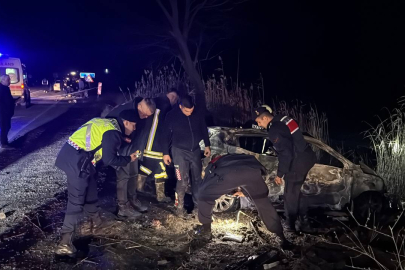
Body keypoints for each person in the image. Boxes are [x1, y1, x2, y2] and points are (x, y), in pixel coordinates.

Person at [54, 110, 140, 256]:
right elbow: (109, 160)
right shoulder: (113, 133)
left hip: (78, 157)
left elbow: (103, 140)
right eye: (133, 125)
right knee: (76, 201)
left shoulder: (110, 123)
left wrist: (121, 139)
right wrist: (128, 159)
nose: (135, 128)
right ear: (125, 122)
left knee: (91, 188)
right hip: (77, 161)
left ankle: (96, 223)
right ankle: (64, 243)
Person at [195, 153, 294, 250]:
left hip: (230, 175)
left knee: (204, 196)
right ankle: (282, 238)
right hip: (254, 172)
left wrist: (229, 191)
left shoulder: (212, 165)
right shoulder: (235, 156)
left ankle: (206, 231)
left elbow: (207, 187)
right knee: (264, 204)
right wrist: (245, 192)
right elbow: (253, 170)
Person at [255, 106, 316, 232]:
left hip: (297, 162)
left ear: (265, 118)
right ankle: (304, 223)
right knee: (297, 192)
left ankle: (291, 225)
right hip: (306, 156)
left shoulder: (274, 130)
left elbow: (286, 153)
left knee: (290, 195)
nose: (259, 125)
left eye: (259, 122)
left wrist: (280, 173)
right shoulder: (282, 119)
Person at [107, 98, 156, 219]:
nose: (145, 117)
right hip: (124, 150)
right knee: (123, 177)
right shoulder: (124, 110)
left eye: (147, 116)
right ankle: (123, 207)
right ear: (139, 106)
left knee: (134, 174)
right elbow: (109, 126)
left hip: (135, 148)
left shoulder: (141, 113)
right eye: (144, 114)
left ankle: (133, 200)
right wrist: (122, 138)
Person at [163, 95, 211, 217]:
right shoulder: (172, 116)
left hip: (194, 150)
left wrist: (207, 145)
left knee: (197, 179)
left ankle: (197, 206)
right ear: (180, 107)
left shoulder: (197, 113)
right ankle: (179, 208)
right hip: (179, 151)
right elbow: (164, 135)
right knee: (182, 180)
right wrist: (165, 153)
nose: (189, 113)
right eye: (186, 111)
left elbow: (203, 128)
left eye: (191, 110)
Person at [138, 90, 179, 202]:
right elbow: (164, 129)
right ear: (173, 97)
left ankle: (138, 188)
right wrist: (165, 150)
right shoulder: (166, 107)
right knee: (160, 169)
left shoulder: (154, 102)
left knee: (145, 167)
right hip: (157, 146)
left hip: (145, 144)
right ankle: (160, 196)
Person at [0, 75, 15, 149]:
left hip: (6, 112)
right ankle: (4, 143)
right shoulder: (2, 89)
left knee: (7, 127)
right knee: (5, 127)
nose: (10, 82)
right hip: (3, 112)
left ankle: (4, 142)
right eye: (8, 80)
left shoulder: (5, 88)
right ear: (2, 80)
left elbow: (9, 100)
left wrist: (15, 100)